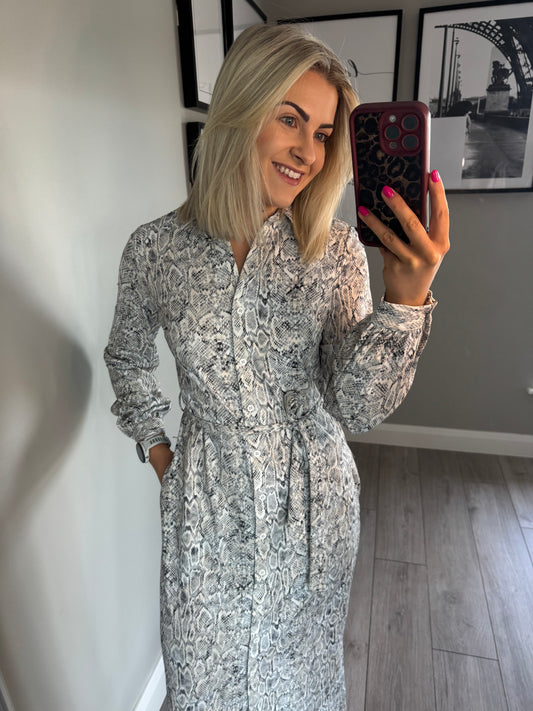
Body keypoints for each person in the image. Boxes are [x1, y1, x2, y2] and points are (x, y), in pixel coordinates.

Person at [104, 23, 449, 711]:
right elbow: (127, 355)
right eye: (289, 119)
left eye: (323, 133)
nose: (308, 152)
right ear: (240, 110)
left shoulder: (336, 251)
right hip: (206, 510)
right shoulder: (155, 250)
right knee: (202, 687)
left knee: (301, 688)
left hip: (314, 511)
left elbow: (356, 406)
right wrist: (161, 453)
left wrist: (405, 302)